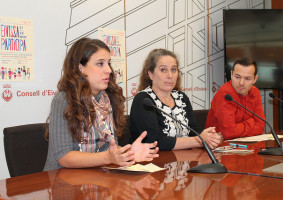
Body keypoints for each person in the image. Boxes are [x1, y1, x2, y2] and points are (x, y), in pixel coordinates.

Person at [44, 38, 159, 171]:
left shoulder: (107, 99)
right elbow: (63, 157)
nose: (108, 70)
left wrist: (130, 152)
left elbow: (109, 149)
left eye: (108, 63)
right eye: (100, 64)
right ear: (80, 68)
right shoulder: (64, 99)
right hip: (63, 180)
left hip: (96, 175)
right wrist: (108, 158)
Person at [129, 49, 222, 151]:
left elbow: (194, 130)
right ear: (150, 74)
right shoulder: (143, 100)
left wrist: (210, 138)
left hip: (185, 160)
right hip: (154, 162)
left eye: (173, 70)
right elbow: (154, 141)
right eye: (163, 70)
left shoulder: (181, 98)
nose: (170, 75)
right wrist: (199, 140)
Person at [205, 57, 265, 140]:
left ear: (254, 79)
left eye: (247, 78)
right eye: (237, 77)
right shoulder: (225, 94)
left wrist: (239, 129)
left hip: (246, 144)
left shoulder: (255, 92)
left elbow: (260, 127)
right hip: (221, 146)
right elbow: (229, 133)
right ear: (231, 74)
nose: (241, 83)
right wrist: (251, 122)